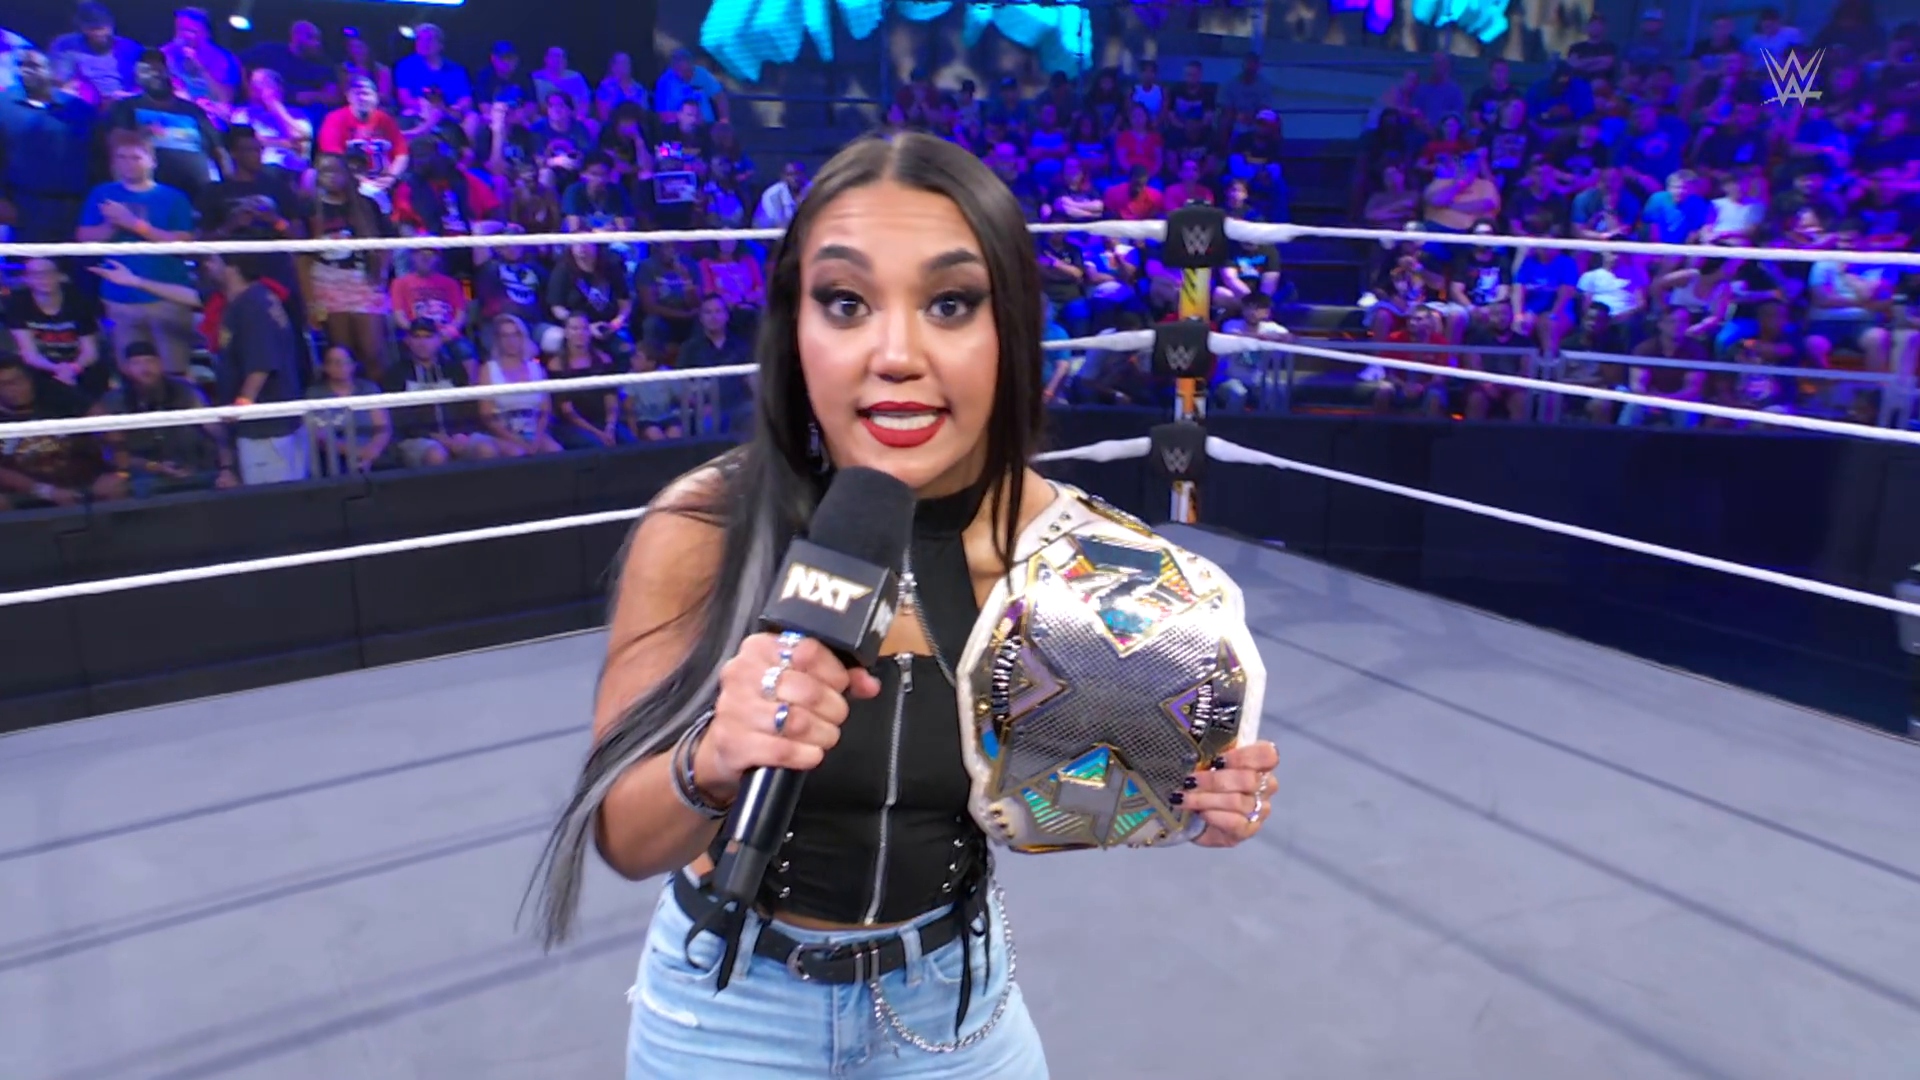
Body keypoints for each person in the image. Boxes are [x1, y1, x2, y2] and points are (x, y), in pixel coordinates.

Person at [529, 133, 1277, 1079]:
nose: (895, 354)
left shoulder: (1073, 557)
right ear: (794, 329)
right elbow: (625, 840)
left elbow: (1049, 803)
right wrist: (713, 759)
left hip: (956, 1004)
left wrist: (1189, 797)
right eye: (846, 302)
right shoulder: (703, 526)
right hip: (729, 1007)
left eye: (951, 303)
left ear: (1009, 329)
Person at [212, 252, 308, 484]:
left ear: (232, 269)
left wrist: (240, 406)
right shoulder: (258, 298)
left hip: (265, 431)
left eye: (213, 260)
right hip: (274, 424)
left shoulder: (251, 305)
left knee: (270, 499)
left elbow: (261, 363)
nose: (207, 266)